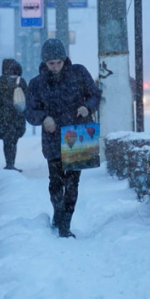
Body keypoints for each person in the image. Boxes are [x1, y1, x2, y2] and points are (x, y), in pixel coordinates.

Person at [25, 38, 102, 238]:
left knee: (73, 182)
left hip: (78, 135)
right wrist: (44, 118)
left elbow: (95, 94)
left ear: (65, 59)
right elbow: (30, 112)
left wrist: (88, 107)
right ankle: (58, 213)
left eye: (59, 62)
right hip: (52, 139)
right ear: (45, 63)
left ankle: (65, 224)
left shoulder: (79, 73)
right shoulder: (37, 83)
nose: (56, 67)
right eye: (52, 63)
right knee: (56, 182)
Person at [0, 58, 28, 171]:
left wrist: (3, 105)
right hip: (17, 116)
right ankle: (11, 163)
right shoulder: (21, 81)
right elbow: (27, 98)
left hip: (3, 116)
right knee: (13, 140)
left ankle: (9, 163)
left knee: (7, 140)